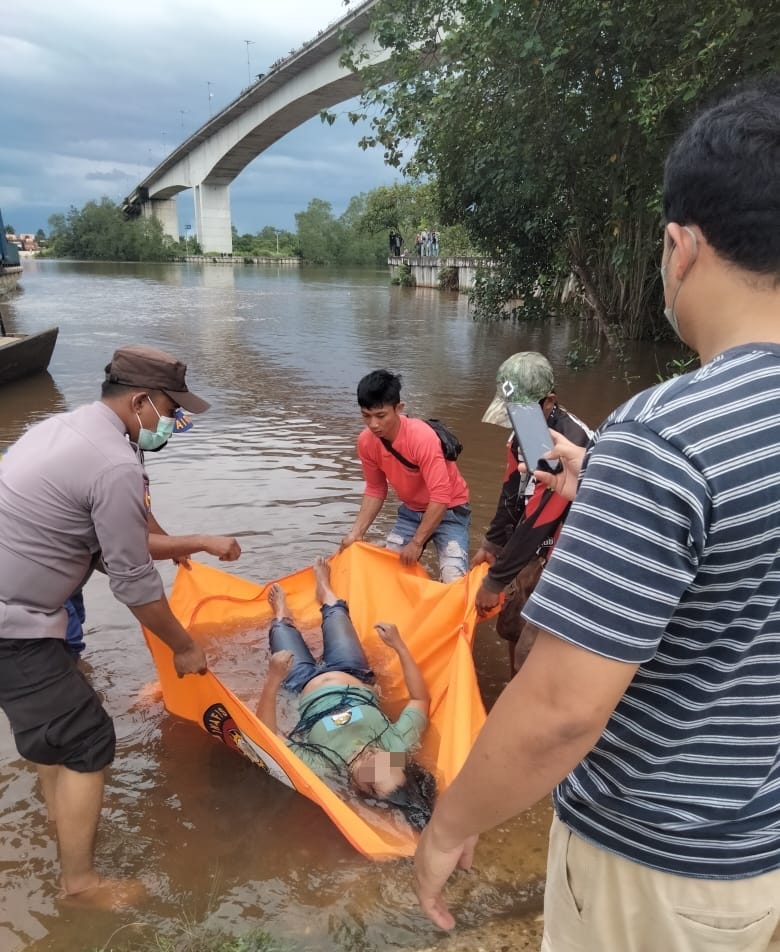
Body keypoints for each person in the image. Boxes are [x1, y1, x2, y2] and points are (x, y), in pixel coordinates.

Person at [414, 77, 780, 950]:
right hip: (759, 841)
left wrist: (449, 825)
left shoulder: (671, 432)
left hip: (657, 864)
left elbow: (562, 712)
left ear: (679, 247)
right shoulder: (670, 451)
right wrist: (604, 479)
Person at [0, 344, 212, 908]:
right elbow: (133, 583)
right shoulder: (115, 463)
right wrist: (184, 647)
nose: (173, 422)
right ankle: (80, 887)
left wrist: (191, 544)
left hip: (20, 609)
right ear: (140, 400)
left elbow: (98, 543)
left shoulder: (64, 428)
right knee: (88, 737)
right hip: (11, 622)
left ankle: (58, 820)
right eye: (170, 410)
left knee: (54, 734)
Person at [255, 556, 436, 830]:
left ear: (359, 788)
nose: (375, 761)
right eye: (385, 764)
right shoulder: (398, 748)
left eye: (373, 777)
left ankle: (282, 613)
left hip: (299, 683)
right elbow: (420, 698)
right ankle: (323, 587)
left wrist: (272, 678)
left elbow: (268, 736)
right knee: (336, 612)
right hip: (351, 671)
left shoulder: (326, 765)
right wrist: (399, 646)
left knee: (279, 629)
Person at [472, 352, 591, 675]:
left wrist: (495, 581)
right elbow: (510, 493)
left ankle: (527, 712)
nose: (514, 419)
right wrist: (492, 544)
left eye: (520, 411)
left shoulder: (570, 442)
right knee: (510, 627)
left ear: (548, 402)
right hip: (533, 550)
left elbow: (542, 517)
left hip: (567, 557)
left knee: (532, 651)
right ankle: (513, 688)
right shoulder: (520, 436)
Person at [340, 369, 471, 583]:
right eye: (366, 416)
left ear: (398, 409)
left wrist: (417, 543)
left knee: (453, 578)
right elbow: (376, 489)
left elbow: (441, 495)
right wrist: (356, 533)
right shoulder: (366, 442)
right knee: (388, 575)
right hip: (411, 512)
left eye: (381, 416)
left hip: (450, 511)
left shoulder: (422, 438)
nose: (373, 424)